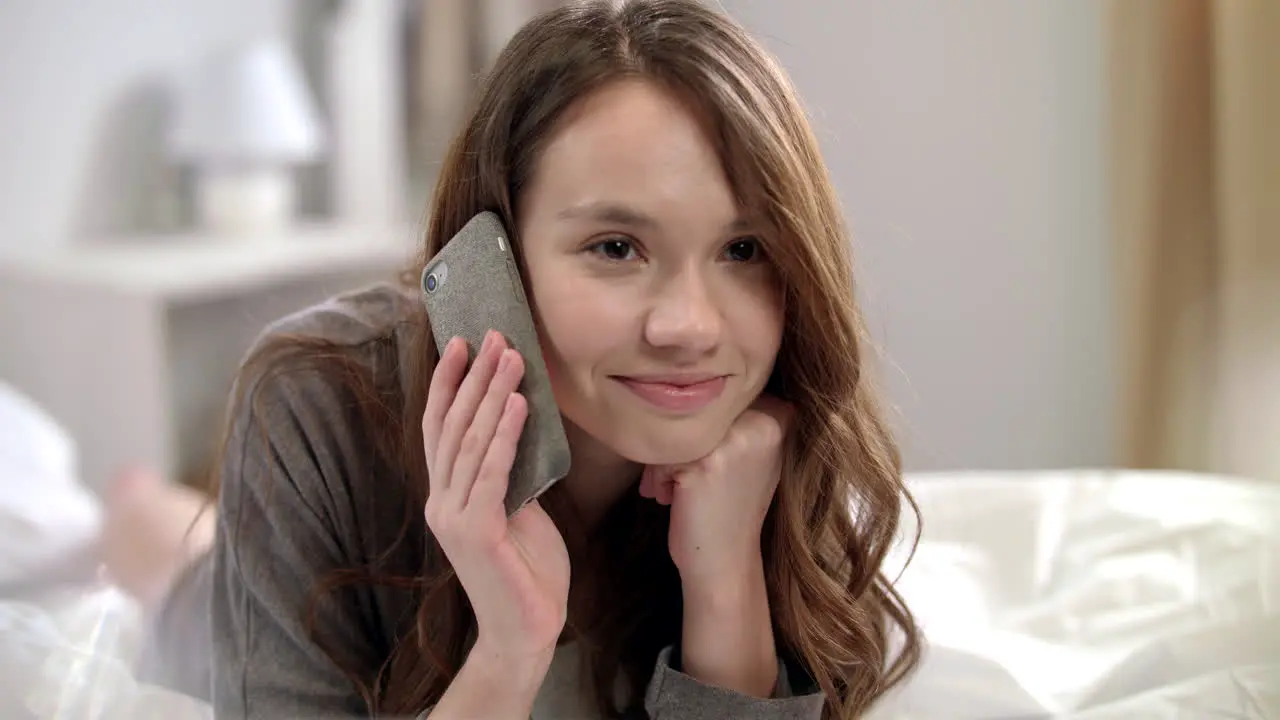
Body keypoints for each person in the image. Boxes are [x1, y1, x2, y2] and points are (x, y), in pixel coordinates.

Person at [130, 1, 923, 717]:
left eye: (743, 249)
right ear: (495, 256)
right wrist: (509, 648)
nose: (690, 327)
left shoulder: (776, 436)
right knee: (151, 551)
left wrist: (725, 585)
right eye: (616, 247)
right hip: (203, 614)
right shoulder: (313, 402)